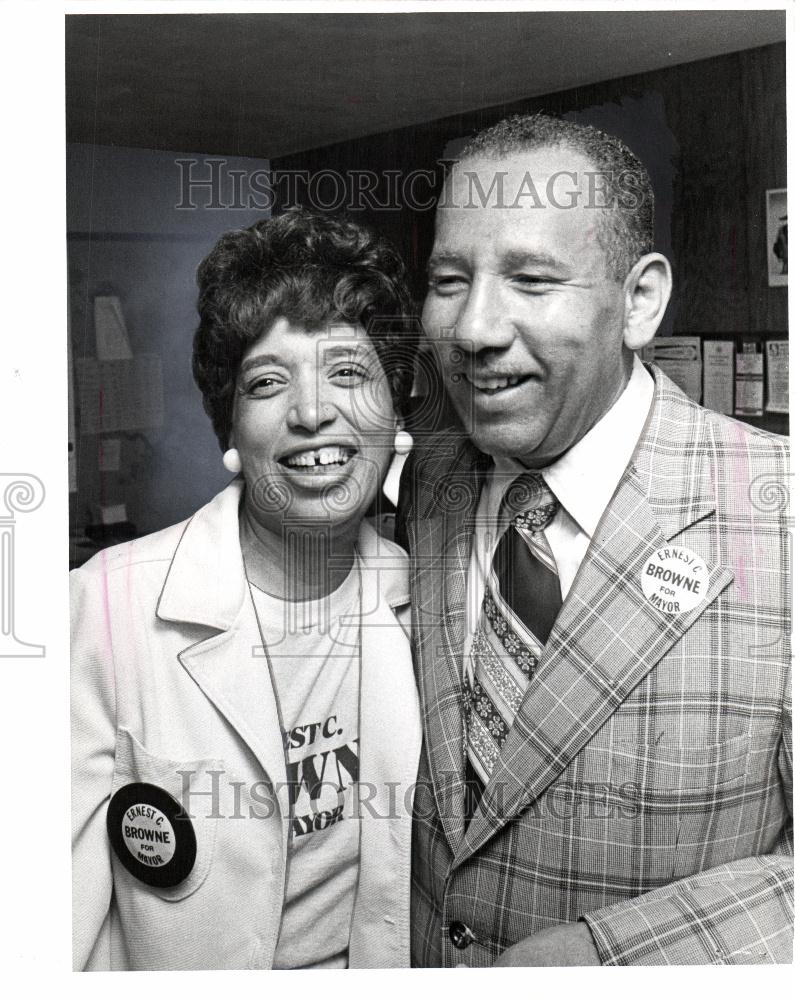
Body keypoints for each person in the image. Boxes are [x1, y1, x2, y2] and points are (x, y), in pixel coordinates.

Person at [399, 113, 792, 967]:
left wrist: (608, 960)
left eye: (532, 280)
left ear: (639, 301)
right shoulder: (428, 483)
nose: (472, 330)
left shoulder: (780, 513)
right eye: (447, 279)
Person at [71, 208, 421, 970]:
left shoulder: (430, 598)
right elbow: (41, 926)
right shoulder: (103, 608)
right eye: (267, 382)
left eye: (349, 373)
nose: (311, 412)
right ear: (229, 430)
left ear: (394, 414)